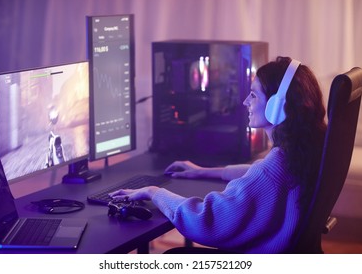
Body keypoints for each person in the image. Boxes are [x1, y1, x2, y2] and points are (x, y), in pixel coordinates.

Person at [109, 56, 327, 253]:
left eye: (253, 95)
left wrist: (154, 192)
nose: (245, 102)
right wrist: (204, 171)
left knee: (173, 256)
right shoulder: (305, 150)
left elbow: (206, 221)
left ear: (276, 106)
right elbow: (263, 176)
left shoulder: (273, 169)